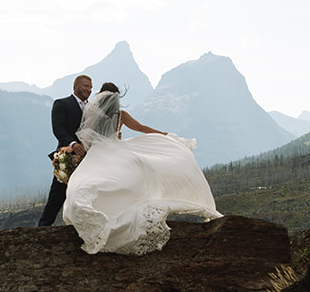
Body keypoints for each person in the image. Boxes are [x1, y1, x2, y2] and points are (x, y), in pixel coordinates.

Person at [60, 82, 221, 255]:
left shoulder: (94, 114)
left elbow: (88, 139)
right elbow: (141, 128)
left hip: (98, 152)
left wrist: (70, 150)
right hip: (115, 149)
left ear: (101, 95)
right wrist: (164, 135)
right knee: (125, 179)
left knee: (93, 180)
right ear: (116, 97)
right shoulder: (120, 115)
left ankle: (94, 211)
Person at [38, 74, 92, 226]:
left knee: (84, 195)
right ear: (76, 86)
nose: (89, 89)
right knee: (57, 195)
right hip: (67, 156)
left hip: (89, 158)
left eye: (90, 87)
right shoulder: (62, 104)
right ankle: (42, 228)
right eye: (86, 86)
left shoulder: (93, 108)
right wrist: (73, 144)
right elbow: (58, 128)